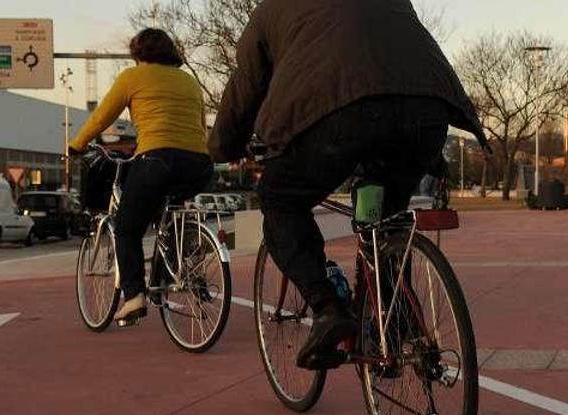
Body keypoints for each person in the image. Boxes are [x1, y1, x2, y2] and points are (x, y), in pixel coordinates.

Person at [209, 0, 489, 369]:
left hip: (341, 110)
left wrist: (222, 147)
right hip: (429, 109)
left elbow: (246, 86)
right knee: (383, 216)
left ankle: (328, 308)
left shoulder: (269, 11)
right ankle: (394, 319)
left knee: (280, 201)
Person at [70, 28, 213, 323]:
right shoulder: (189, 81)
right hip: (199, 164)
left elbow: (102, 117)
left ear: (138, 53)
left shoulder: (132, 77)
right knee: (167, 211)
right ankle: (177, 263)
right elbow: (200, 124)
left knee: (127, 228)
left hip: (156, 159)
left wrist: (76, 144)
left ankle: (135, 295)